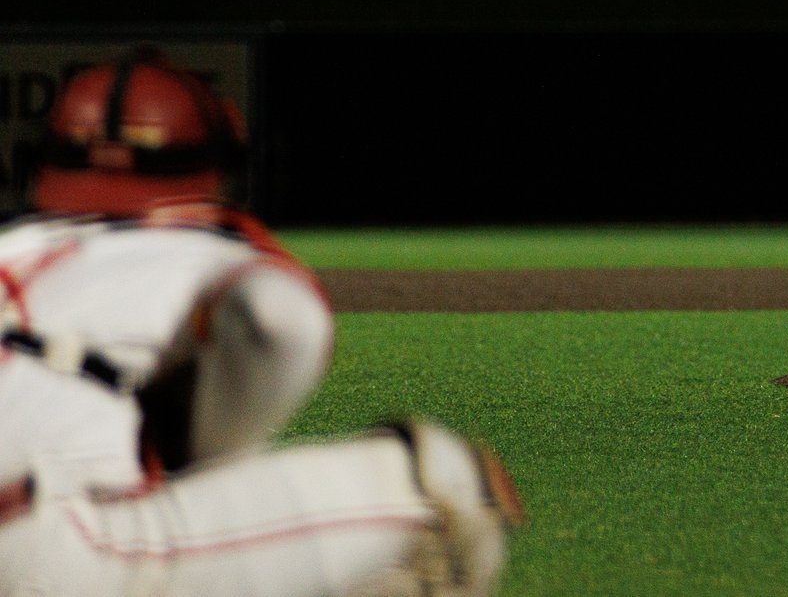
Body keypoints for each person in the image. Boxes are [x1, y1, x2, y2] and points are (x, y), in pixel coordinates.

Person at [0, 47, 524, 596]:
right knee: (448, 479)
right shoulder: (196, 247)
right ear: (216, 166)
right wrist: (209, 465)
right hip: (36, 544)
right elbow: (279, 322)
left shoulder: (13, 247)